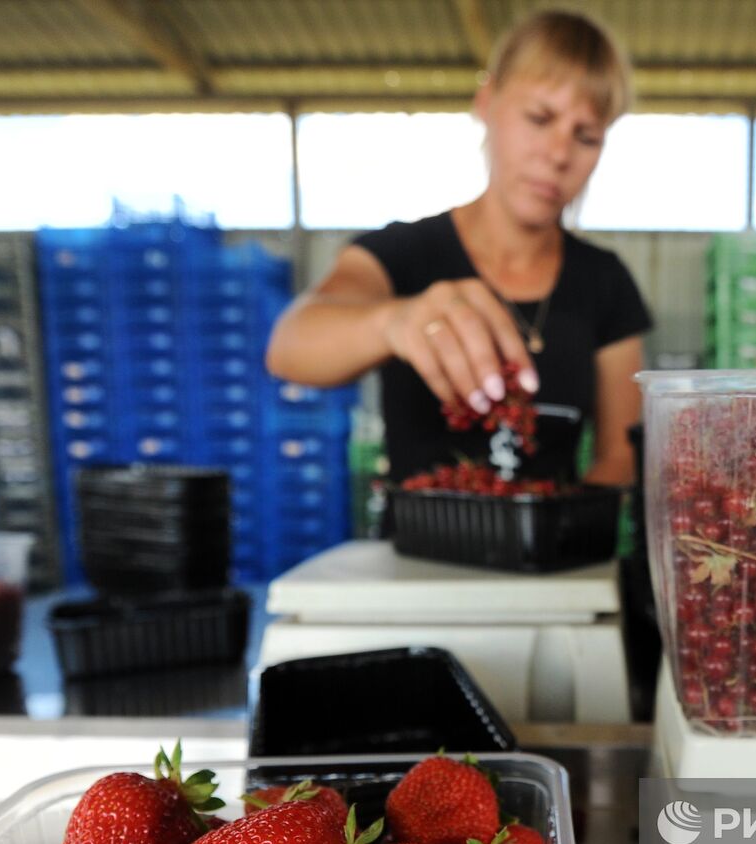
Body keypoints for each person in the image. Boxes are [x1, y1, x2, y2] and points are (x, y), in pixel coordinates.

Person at [267, 9, 651, 490]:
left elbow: (620, 455)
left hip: (554, 559)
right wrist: (394, 321)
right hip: (416, 558)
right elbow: (290, 345)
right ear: (487, 102)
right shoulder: (404, 253)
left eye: (586, 136)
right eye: (539, 118)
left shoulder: (605, 281)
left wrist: (564, 530)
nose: (558, 155)